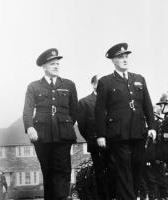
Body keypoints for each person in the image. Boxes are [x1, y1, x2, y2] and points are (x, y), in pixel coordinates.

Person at [95, 42, 156, 199]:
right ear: (113, 60)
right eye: (121, 57)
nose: (125, 59)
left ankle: (131, 196)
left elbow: (147, 105)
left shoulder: (139, 79)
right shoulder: (105, 82)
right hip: (118, 133)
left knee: (137, 167)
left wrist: (152, 126)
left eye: (126, 56)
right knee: (124, 170)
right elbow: (100, 110)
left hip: (138, 131)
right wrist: (101, 135)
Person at [23, 48, 78, 200]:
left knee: (62, 171)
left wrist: (64, 125)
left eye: (57, 63)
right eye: (52, 64)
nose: (56, 66)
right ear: (44, 67)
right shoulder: (34, 86)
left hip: (63, 137)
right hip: (42, 137)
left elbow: (75, 111)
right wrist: (29, 127)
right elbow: (27, 110)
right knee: (48, 172)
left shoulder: (69, 85)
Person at [77, 75, 112, 199]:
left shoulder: (112, 101)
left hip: (113, 144)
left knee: (115, 173)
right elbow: (82, 127)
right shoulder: (84, 102)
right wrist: (93, 139)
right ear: (93, 85)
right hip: (96, 144)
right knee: (100, 174)